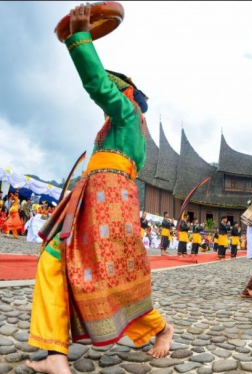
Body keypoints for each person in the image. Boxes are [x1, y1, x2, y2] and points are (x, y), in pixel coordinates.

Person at [27, 5, 174, 373]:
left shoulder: (127, 115)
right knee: (57, 262)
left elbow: (98, 85)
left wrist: (79, 38)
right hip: (96, 197)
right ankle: (56, 357)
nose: (109, 98)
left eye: (116, 90)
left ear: (127, 95)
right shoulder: (118, 131)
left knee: (108, 275)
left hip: (108, 202)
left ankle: (162, 327)